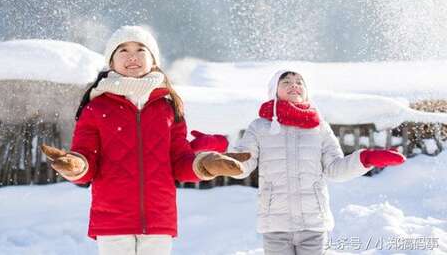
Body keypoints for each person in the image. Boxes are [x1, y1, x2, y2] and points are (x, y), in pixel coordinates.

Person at [41, 25, 249, 255]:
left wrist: (206, 164)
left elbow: (179, 162)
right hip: (112, 219)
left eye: (141, 49)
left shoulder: (168, 107)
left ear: (154, 60)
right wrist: (76, 165)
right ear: (111, 62)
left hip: (159, 218)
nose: (132, 56)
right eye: (123, 50)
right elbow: (87, 158)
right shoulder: (96, 108)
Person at [228, 69, 406, 255]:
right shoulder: (260, 126)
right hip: (276, 225)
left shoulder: (319, 127)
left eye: (299, 82)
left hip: (313, 225)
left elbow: (334, 169)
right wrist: (225, 162)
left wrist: (365, 159)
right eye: (286, 82)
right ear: (274, 90)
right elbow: (244, 162)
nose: (294, 85)